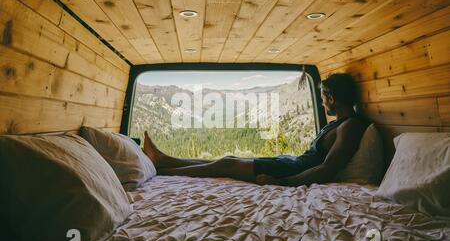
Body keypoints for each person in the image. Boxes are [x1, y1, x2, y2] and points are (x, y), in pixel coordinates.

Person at [143, 73, 369, 187]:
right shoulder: (340, 124)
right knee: (228, 159)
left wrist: (282, 183)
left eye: (322, 99)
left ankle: (163, 170)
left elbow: (328, 168)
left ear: (331, 98)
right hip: (291, 162)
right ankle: (165, 159)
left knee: (227, 164)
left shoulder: (350, 126)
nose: (322, 104)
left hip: (291, 170)